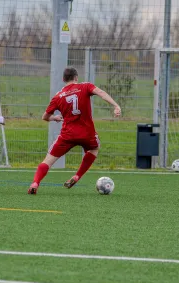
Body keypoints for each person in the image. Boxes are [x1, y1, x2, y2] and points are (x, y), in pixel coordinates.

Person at [28, 67, 121, 195]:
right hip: (87, 133)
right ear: (76, 78)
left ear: (63, 79)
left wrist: (54, 118)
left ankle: (35, 183)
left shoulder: (58, 96)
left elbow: (44, 117)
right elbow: (101, 93)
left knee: (47, 161)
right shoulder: (85, 86)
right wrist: (116, 106)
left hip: (67, 135)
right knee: (94, 149)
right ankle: (77, 175)